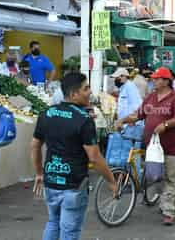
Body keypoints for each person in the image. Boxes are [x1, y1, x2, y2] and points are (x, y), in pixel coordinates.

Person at [31, 72, 117, 240]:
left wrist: (39, 173)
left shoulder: (46, 114)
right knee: (69, 232)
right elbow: (94, 157)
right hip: (73, 186)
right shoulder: (84, 120)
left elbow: (34, 145)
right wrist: (111, 180)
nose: (90, 92)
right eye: (86, 89)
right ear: (73, 94)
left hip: (51, 181)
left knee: (53, 222)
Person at [116, 67, 175, 226]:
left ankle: (169, 212)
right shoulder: (151, 98)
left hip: (172, 147)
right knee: (157, 177)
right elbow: (138, 114)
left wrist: (165, 125)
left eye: (157, 78)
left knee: (170, 178)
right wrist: (123, 120)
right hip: (153, 147)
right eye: (153, 78)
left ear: (166, 81)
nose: (153, 80)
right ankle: (172, 202)